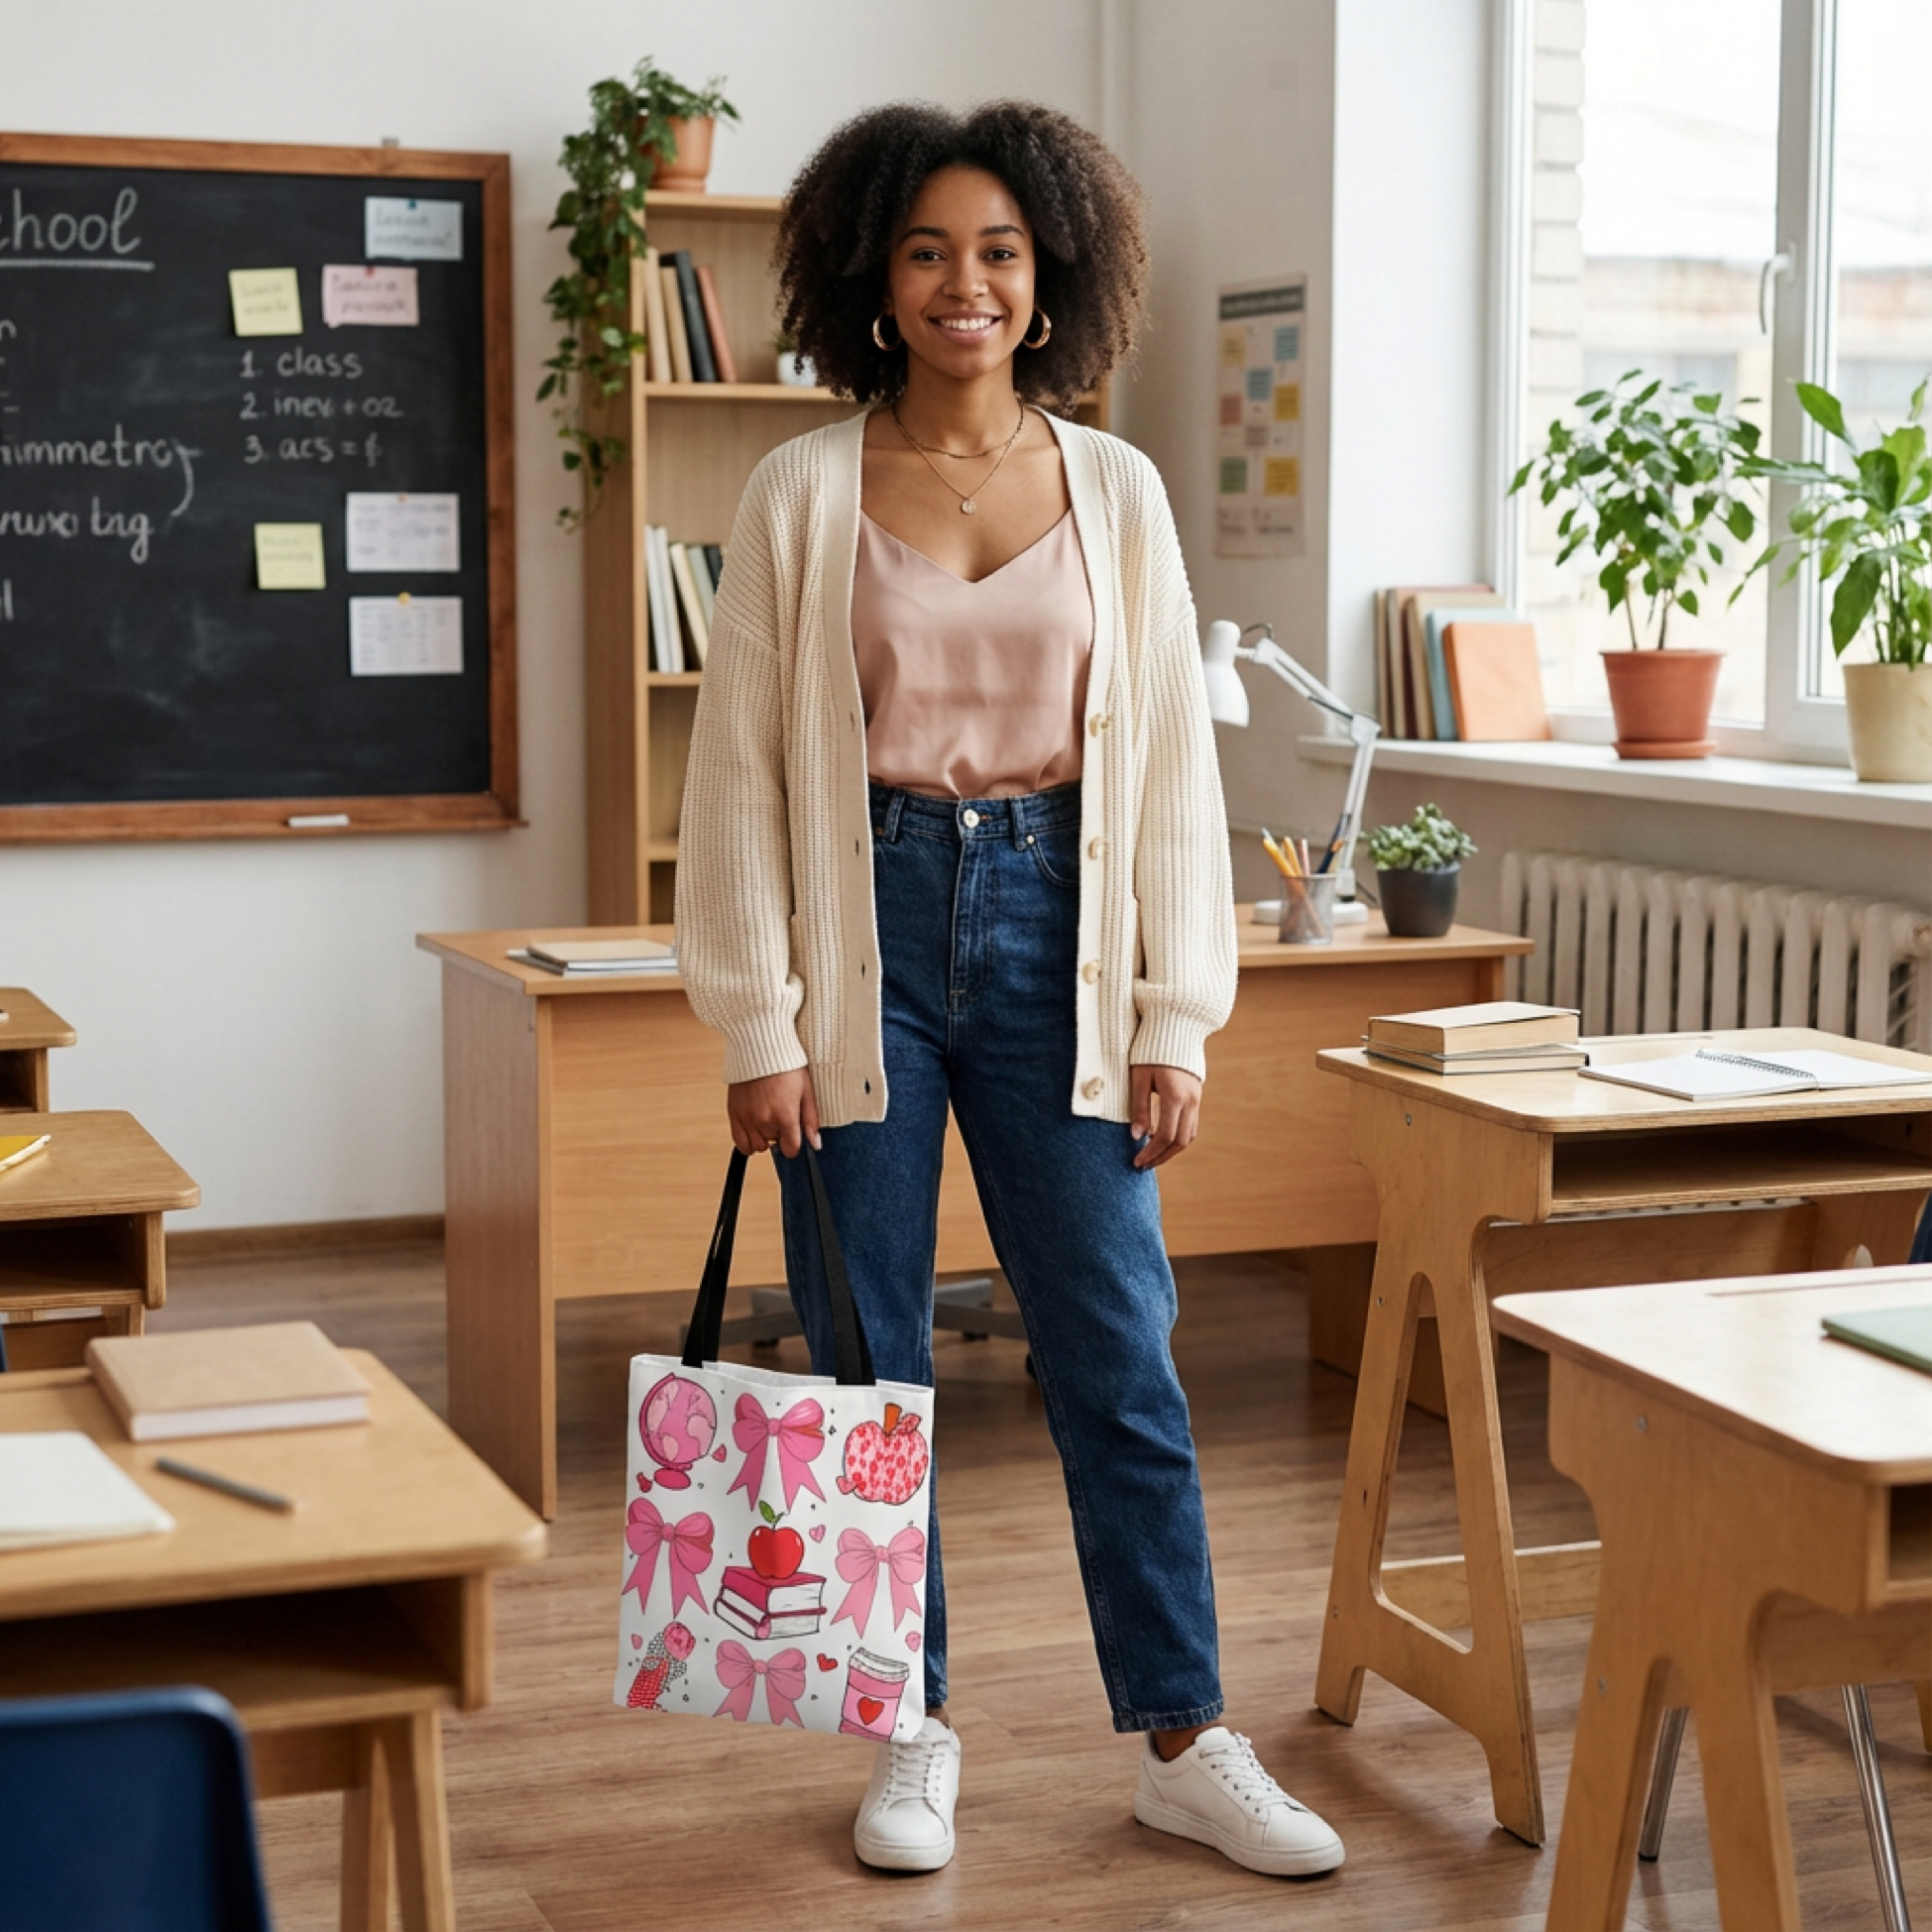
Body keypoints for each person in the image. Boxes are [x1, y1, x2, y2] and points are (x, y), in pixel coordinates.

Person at [676, 100, 1343, 1882]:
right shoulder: (801, 487)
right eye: (926, 252)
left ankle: (1187, 1735)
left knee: (1118, 1350)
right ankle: (913, 1725)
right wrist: (759, 1020)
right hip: (862, 932)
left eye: (998, 252)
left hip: (1063, 928)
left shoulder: (1114, 490)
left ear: (1050, 279)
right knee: (871, 1363)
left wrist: (1172, 1013)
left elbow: (1172, 789)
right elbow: (738, 768)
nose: (964, 284)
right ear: (874, 282)